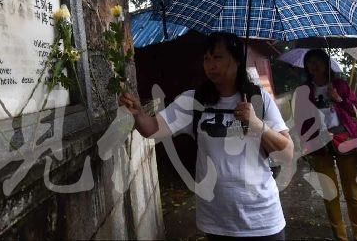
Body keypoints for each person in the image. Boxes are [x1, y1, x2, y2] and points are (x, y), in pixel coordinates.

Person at [119, 32, 293, 240]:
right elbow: (152, 129)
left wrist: (256, 124)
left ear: (237, 60)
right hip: (217, 221)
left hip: (263, 219)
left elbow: (287, 153)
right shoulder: (193, 101)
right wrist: (138, 114)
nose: (210, 65)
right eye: (206, 59)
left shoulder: (259, 99)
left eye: (218, 57)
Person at [293, 49, 357, 241]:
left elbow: (356, 109)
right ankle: (340, 237)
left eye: (318, 61)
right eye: (310, 62)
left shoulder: (340, 84)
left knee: (351, 191)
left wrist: (338, 99)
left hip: (344, 139)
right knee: (329, 193)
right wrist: (304, 143)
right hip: (319, 143)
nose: (314, 65)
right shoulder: (304, 90)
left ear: (327, 64)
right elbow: (300, 119)